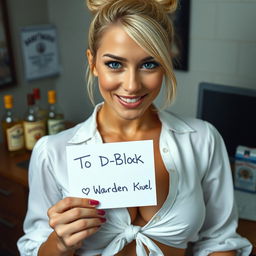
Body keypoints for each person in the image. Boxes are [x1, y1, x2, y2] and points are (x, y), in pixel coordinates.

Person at [18, 0, 252, 255]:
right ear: (93, 62)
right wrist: (60, 243)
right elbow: (34, 248)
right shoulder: (52, 153)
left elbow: (219, 241)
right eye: (115, 64)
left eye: (149, 64)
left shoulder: (202, 140)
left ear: (166, 63)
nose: (131, 85)